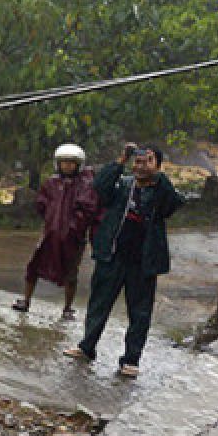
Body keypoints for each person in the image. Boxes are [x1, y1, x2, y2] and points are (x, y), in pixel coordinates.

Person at [64, 143, 184, 377]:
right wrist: (121, 160)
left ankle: (130, 360)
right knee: (99, 304)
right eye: (137, 162)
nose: (140, 167)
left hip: (144, 262)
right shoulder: (123, 185)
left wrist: (157, 176)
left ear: (158, 166)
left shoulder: (161, 191)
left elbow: (173, 204)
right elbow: (100, 187)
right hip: (112, 255)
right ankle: (86, 347)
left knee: (139, 312)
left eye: (147, 162)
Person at [13, 143, 98, 319]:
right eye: (63, 162)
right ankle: (26, 300)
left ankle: (67, 308)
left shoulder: (85, 185)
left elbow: (88, 209)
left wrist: (74, 227)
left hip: (73, 238)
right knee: (34, 266)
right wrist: (51, 221)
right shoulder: (51, 183)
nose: (66, 166)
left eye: (71, 162)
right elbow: (41, 204)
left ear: (78, 164)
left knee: (70, 272)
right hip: (49, 233)